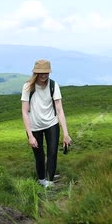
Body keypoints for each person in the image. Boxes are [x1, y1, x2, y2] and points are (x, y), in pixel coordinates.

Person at [21, 59, 71, 188]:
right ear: (36, 73)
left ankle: (49, 180)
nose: (44, 75)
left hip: (51, 123)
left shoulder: (53, 85)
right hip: (34, 126)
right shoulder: (27, 87)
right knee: (39, 155)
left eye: (46, 73)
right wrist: (30, 135)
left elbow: (59, 110)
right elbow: (24, 112)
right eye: (41, 73)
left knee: (52, 152)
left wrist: (66, 133)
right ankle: (42, 180)